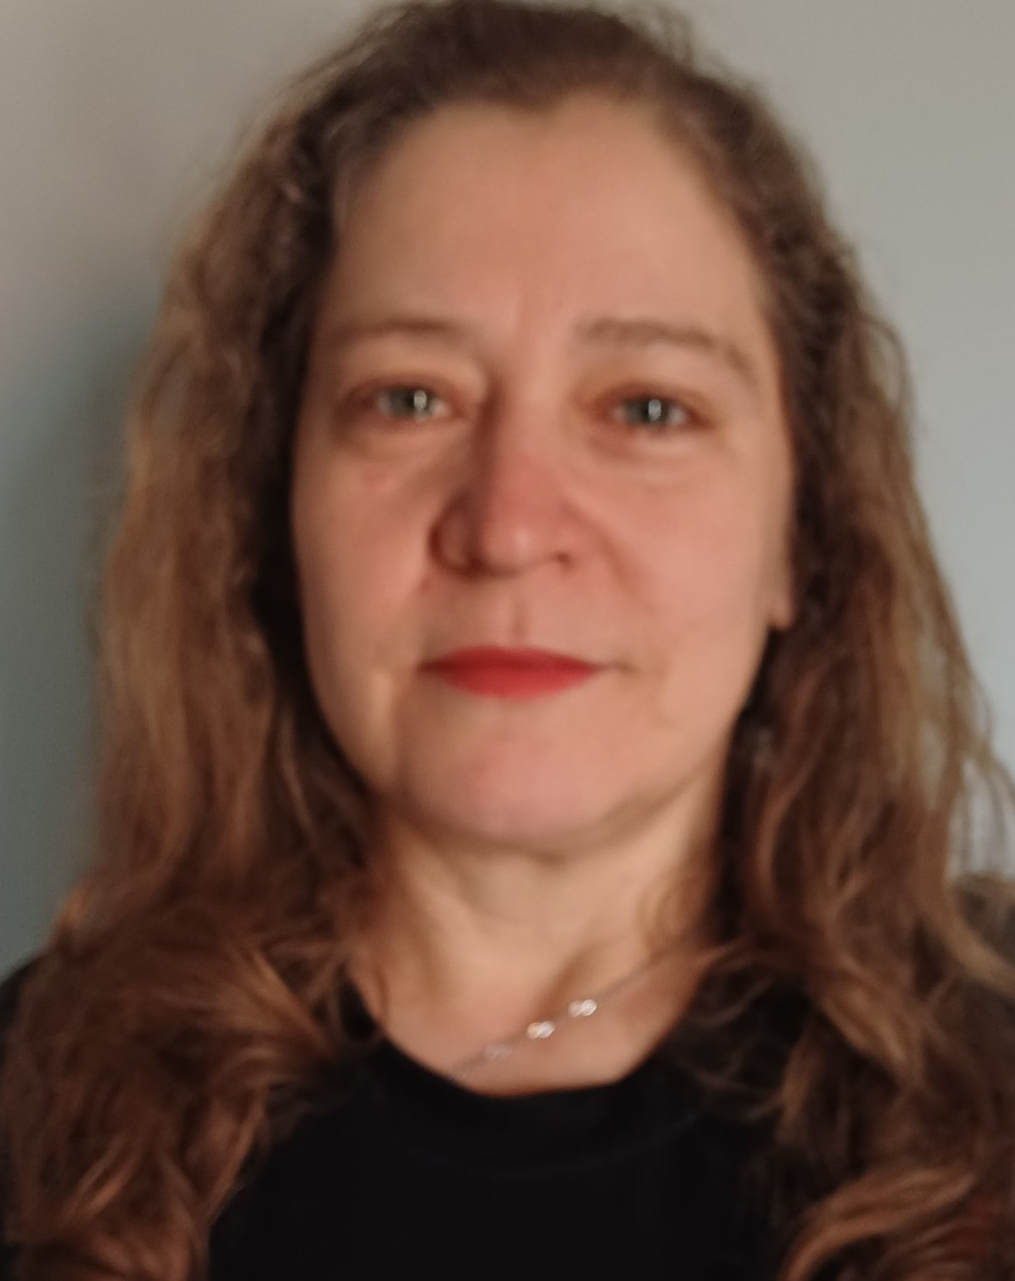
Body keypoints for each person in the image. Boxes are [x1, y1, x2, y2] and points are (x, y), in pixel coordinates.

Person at [2, 0, 1014, 1277]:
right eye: (408, 399)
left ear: (800, 538)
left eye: (647, 409)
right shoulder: (36, 1122)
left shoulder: (993, 1104)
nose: (508, 524)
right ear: (271, 509)